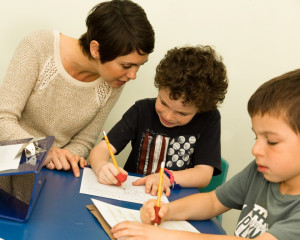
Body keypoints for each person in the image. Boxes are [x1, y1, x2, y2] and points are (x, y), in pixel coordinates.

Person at [111, 69, 300, 240]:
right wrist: (167, 211)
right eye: (256, 137)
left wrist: (165, 236)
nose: (256, 150)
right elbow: (213, 201)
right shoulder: (260, 171)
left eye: (272, 141)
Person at [0, 0, 154, 177]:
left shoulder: (113, 81)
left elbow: (84, 141)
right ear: (96, 49)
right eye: (126, 66)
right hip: (7, 164)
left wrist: (65, 159)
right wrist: (42, 152)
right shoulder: (39, 46)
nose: (133, 75)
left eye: (139, 66)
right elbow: (3, 119)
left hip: (50, 175)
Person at [89, 45, 228, 196]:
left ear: (201, 108)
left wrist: (167, 177)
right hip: (133, 195)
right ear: (160, 87)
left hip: (176, 201)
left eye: (181, 113)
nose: (168, 116)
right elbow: (100, 150)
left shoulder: (209, 119)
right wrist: (102, 166)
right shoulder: (142, 110)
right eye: (163, 102)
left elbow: (204, 175)